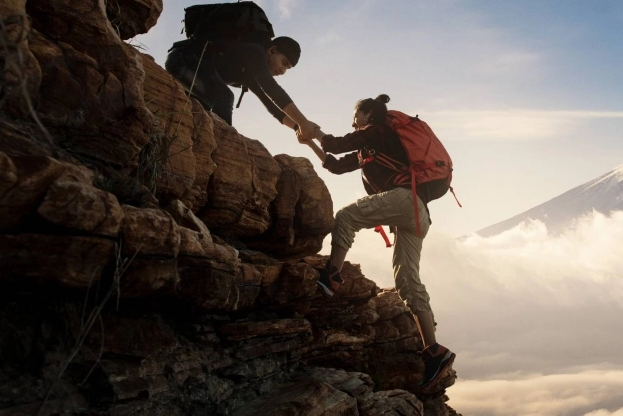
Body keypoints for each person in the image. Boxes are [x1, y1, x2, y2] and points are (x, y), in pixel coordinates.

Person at [303, 94, 455, 389]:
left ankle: (331, 277)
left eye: (356, 116)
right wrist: (309, 142)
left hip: (405, 202)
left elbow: (334, 143)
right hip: (417, 214)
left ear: (368, 114)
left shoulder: (380, 129)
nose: (353, 122)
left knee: (346, 217)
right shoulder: (369, 147)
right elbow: (335, 164)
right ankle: (434, 351)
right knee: (408, 282)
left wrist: (313, 129)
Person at [164, 35, 321, 139]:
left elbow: (272, 107)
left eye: (288, 68)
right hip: (183, 58)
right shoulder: (254, 51)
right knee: (224, 97)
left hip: (194, 72)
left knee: (202, 110)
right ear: (272, 50)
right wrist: (303, 121)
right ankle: (224, 150)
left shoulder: (250, 74)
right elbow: (272, 88)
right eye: (284, 63)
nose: (283, 70)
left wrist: (297, 128)